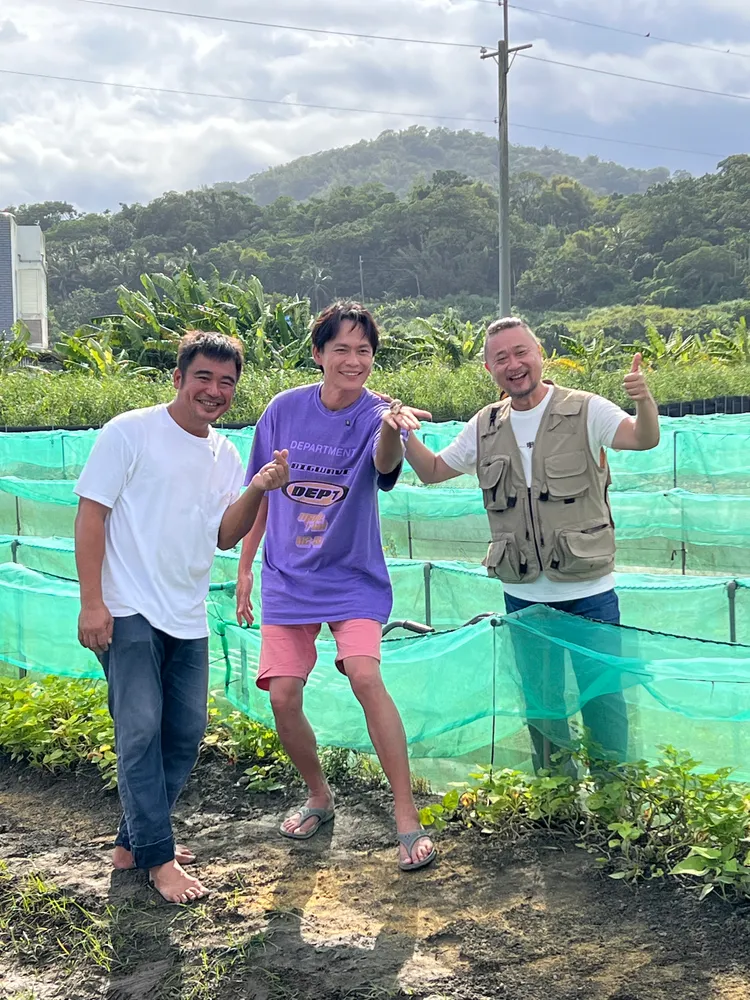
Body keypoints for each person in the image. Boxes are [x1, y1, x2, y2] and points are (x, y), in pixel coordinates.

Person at [74, 330, 289, 904]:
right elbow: (91, 515)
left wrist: (258, 488)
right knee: (140, 727)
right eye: (203, 378)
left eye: (226, 382)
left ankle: (134, 843)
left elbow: (225, 535)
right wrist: (92, 602)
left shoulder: (225, 454)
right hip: (128, 606)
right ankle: (158, 856)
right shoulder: (130, 431)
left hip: (186, 613)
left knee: (186, 732)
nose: (214, 391)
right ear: (178, 378)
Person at [404, 317, 660, 771]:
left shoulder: (586, 410)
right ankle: (555, 796)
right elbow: (433, 471)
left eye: (521, 352)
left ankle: (613, 794)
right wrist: (400, 431)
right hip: (524, 595)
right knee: (542, 707)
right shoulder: (485, 425)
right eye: (501, 358)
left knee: (604, 702)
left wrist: (643, 400)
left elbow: (642, 438)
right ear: (489, 369)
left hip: (589, 592)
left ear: (540, 354)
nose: (514, 364)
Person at [235, 302, 436, 872]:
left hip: (352, 576)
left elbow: (385, 463)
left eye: (363, 351)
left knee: (366, 675)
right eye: (341, 349)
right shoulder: (283, 410)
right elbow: (261, 492)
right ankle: (319, 796)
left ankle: (406, 816)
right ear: (318, 353)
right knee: (282, 695)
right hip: (288, 576)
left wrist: (393, 429)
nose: (353, 360)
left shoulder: (381, 414)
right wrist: (245, 569)